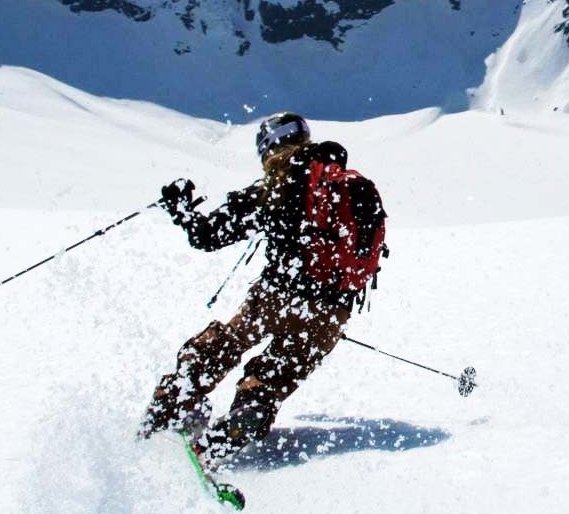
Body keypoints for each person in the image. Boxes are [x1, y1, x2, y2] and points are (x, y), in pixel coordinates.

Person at [139, 112, 386, 470]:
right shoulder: (346, 186)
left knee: (229, 340)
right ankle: (239, 425)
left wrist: (182, 210)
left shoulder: (275, 186)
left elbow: (207, 235)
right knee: (276, 373)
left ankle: (173, 402)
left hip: (275, 297)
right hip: (332, 313)